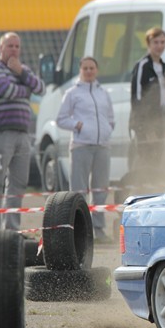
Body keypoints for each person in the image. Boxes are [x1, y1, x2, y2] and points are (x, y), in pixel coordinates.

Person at [0, 32, 44, 231]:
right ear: (1, 48)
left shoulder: (22, 70)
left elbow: (41, 88)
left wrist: (22, 74)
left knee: (18, 183)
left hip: (22, 134)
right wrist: (27, 89)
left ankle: (12, 229)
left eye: (17, 46)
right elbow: (7, 91)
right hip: (0, 133)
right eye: (10, 46)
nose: (14, 50)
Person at [56, 57, 115, 242]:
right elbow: (61, 119)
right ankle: (78, 231)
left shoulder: (104, 92)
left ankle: (98, 229)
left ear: (96, 70)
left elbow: (111, 118)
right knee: (79, 191)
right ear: (80, 70)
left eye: (92, 68)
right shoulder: (72, 93)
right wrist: (78, 125)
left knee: (100, 190)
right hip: (81, 146)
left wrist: (105, 130)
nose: (89, 71)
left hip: (102, 147)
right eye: (85, 68)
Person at [129, 26, 165, 171]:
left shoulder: (162, 66)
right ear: (148, 44)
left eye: (162, 42)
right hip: (146, 126)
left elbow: (161, 99)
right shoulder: (143, 66)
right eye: (156, 42)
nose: (159, 46)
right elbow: (138, 99)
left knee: (157, 164)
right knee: (145, 164)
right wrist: (145, 128)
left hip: (159, 124)